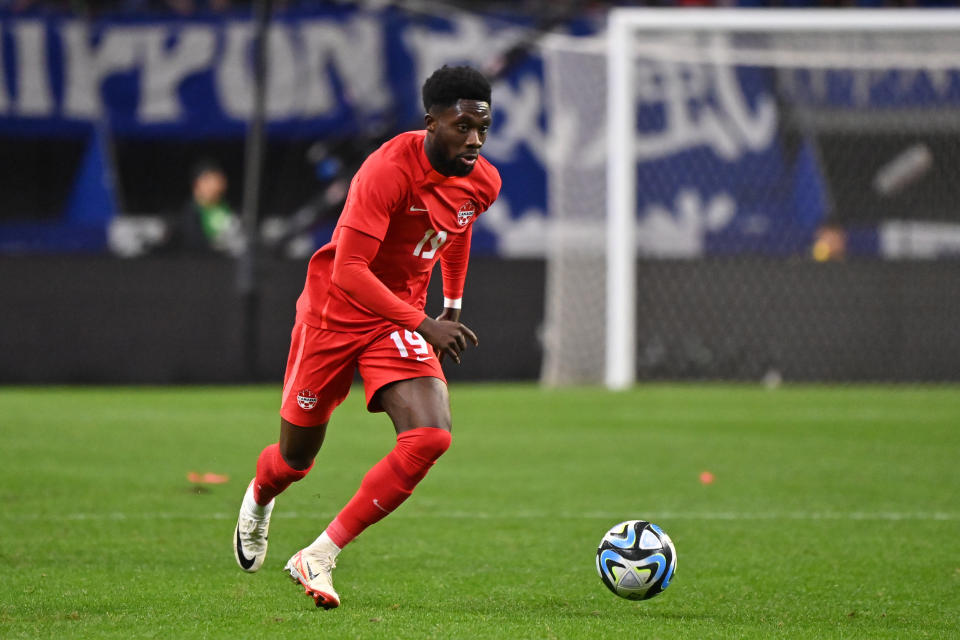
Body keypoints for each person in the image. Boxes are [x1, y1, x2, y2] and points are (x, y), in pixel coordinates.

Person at [233, 65, 501, 609]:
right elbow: (349, 269)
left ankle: (319, 555)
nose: (473, 139)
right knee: (294, 461)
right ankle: (261, 494)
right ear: (431, 122)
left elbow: (455, 230)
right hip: (334, 314)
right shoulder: (386, 171)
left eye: (483, 127)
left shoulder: (484, 180)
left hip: (394, 321)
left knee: (430, 436)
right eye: (461, 126)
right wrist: (426, 324)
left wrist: (450, 305)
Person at [165, 159, 242, 255]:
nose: (218, 184)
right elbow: (193, 245)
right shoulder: (190, 213)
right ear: (198, 183)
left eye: (219, 179)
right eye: (210, 180)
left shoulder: (228, 207)